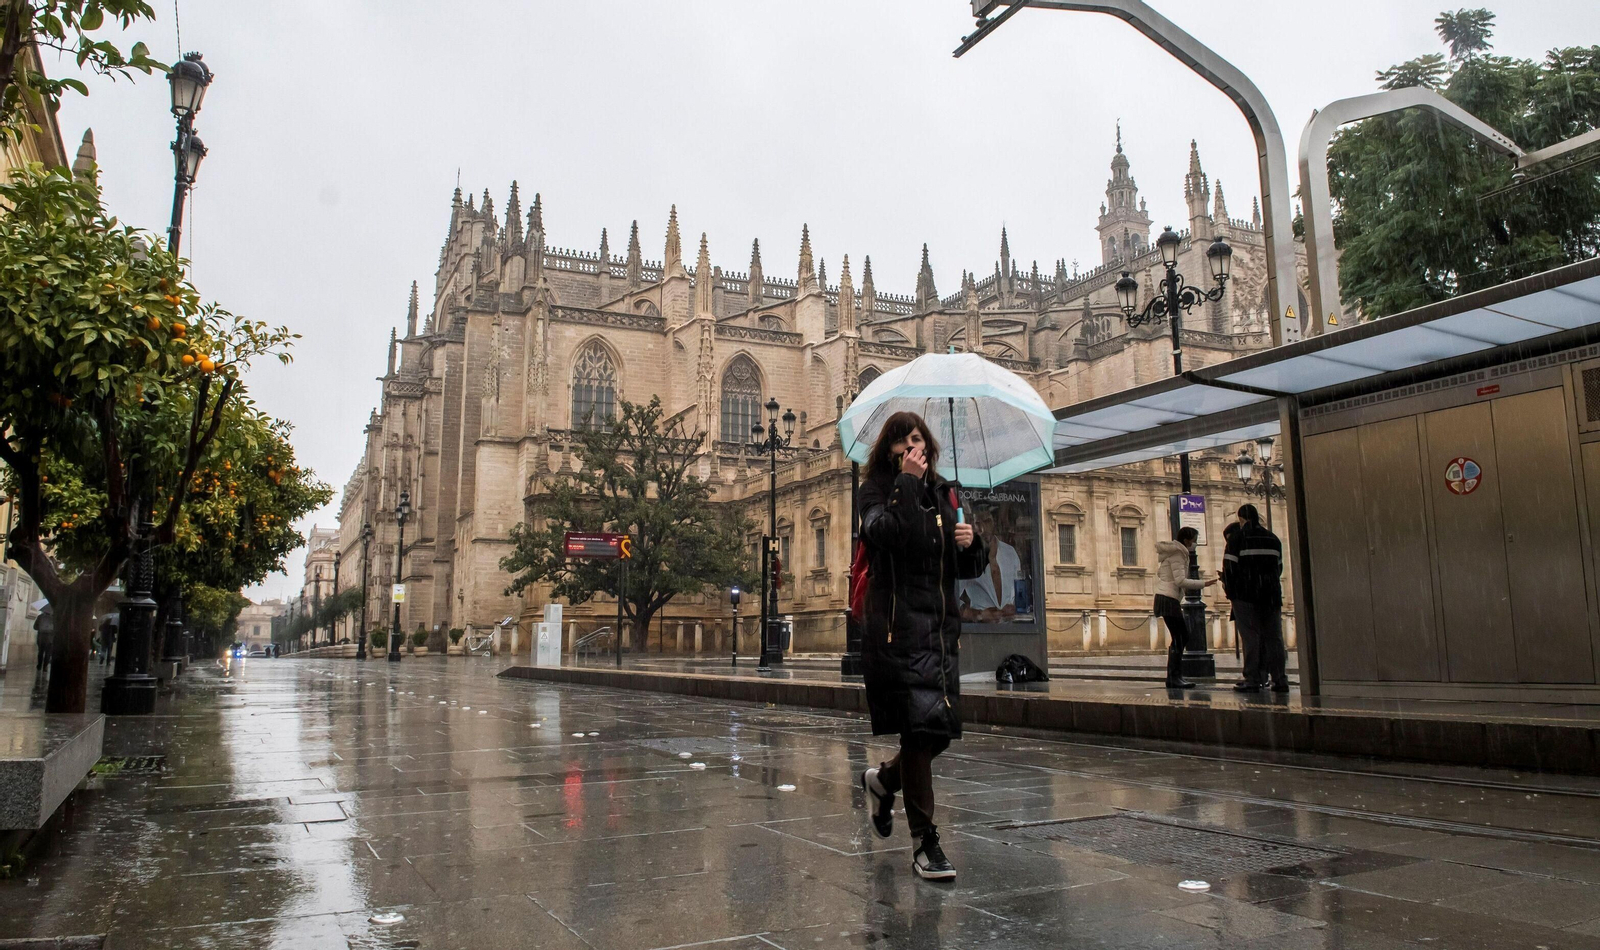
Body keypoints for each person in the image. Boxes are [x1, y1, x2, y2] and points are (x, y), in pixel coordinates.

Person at [855, 411, 988, 881]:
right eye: (904, 442)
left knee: (938, 733)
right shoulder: (874, 490)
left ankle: (884, 780)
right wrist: (907, 483)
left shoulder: (945, 492)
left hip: (939, 628)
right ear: (889, 450)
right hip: (896, 628)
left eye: (920, 440)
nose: (915, 448)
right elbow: (884, 533)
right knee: (918, 730)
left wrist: (972, 544)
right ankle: (925, 843)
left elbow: (966, 568)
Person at [1226, 503, 1289, 693]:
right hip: (1271, 596)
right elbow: (1279, 568)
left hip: (1246, 596)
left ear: (1242, 519)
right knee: (1274, 638)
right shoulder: (1273, 539)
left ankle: (1253, 679)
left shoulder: (1237, 539)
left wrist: (1233, 593)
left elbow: (1230, 569)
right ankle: (1280, 679)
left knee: (1251, 638)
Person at [1154, 527, 1217, 689]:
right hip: (1168, 599)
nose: (1195, 543)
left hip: (1166, 597)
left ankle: (1174, 676)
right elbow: (1180, 581)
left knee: (1180, 636)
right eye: (1194, 539)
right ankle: (1174, 677)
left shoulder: (1176, 552)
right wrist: (1205, 583)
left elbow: (1163, 575)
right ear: (1187, 540)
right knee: (1181, 636)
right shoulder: (1178, 554)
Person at [958, 508, 1019, 623]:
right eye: (977, 522)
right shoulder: (968, 556)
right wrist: (979, 615)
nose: (982, 528)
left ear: (993, 522)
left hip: (1009, 628)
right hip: (981, 630)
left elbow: (1019, 589)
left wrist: (1015, 608)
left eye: (986, 521)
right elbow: (951, 598)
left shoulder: (1010, 553)